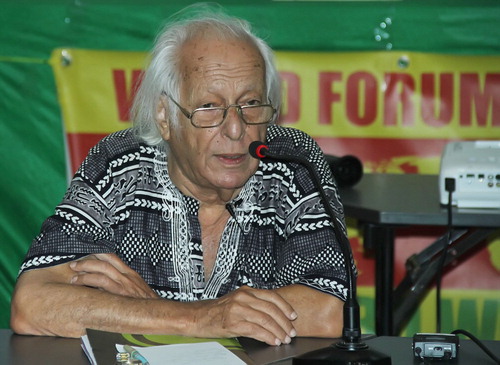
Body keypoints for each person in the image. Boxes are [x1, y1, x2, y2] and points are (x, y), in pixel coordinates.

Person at [10, 6, 351, 347]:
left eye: (251, 104)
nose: (236, 129)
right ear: (165, 116)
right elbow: (34, 304)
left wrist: (149, 309)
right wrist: (202, 318)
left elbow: (327, 311)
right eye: (209, 108)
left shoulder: (292, 162)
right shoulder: (119, 164)